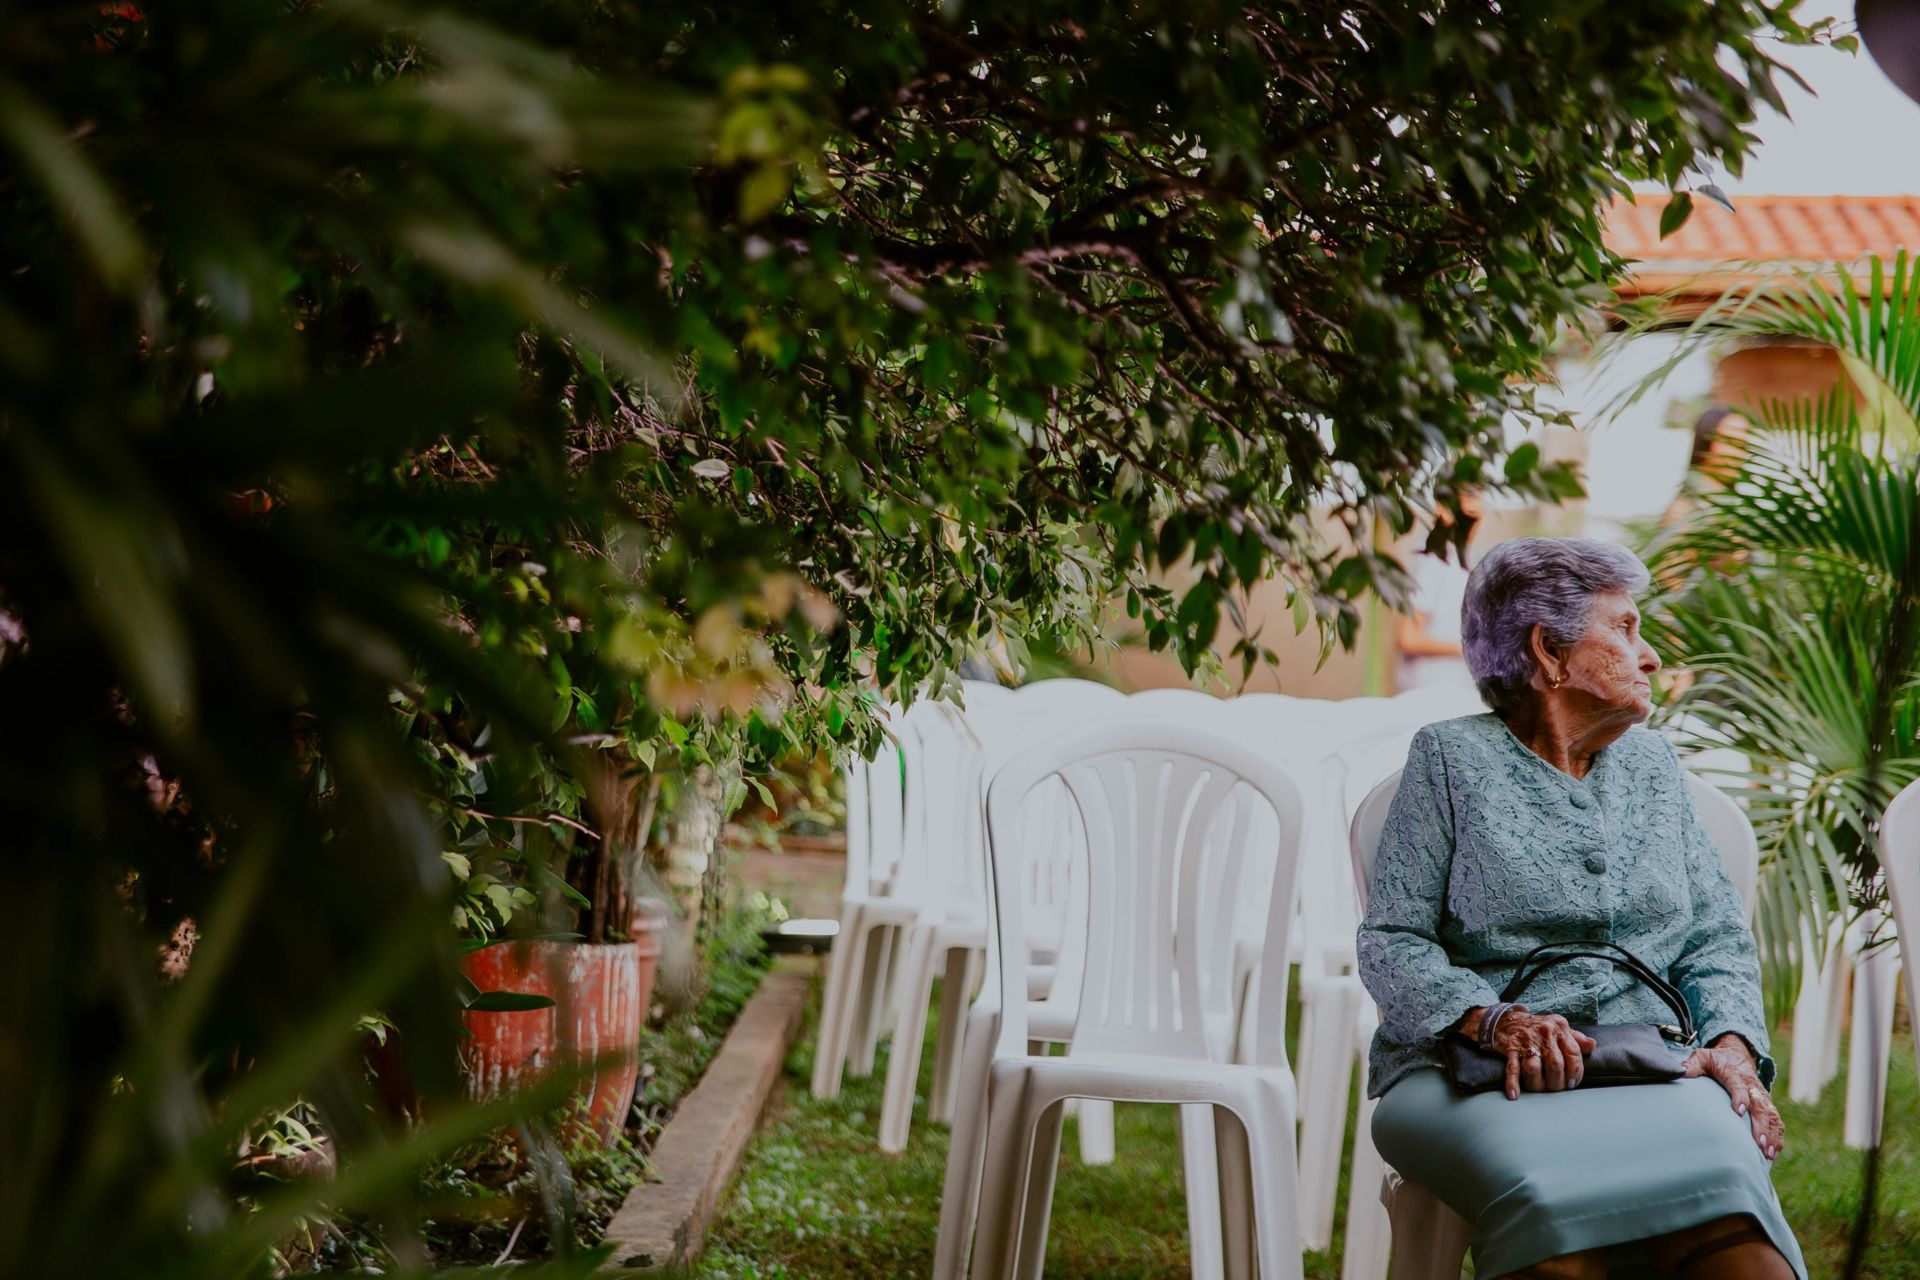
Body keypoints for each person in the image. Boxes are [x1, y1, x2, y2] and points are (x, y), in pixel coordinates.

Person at [1358, 537, 1804, 1280]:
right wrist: (1492, 1018)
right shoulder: (1449, 762)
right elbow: (1392, 941)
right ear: (1548, 652)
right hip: (1474, 1075)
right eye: (1625, 629)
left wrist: (1731, 1043)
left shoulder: (1655, 766)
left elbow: (1716, 937)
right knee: (1559, 1244)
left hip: (1652, 1065)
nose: (1651, 655)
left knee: (1743, 1243)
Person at [1395, 492, 1482, 691]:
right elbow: (1408, 637)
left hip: (1450, 694)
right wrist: (1472, 649)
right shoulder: (1433, 560)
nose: (1478, 522)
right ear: (1443, 509)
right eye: (1471, 513)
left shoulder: (1459, 557)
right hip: (1429, 695)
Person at [1661, 405, 1752, 528]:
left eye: (1743, 445)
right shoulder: (1683, 511)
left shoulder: (1740, 508)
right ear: (1705, 442)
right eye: (1731, 442)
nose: (1740, 453)